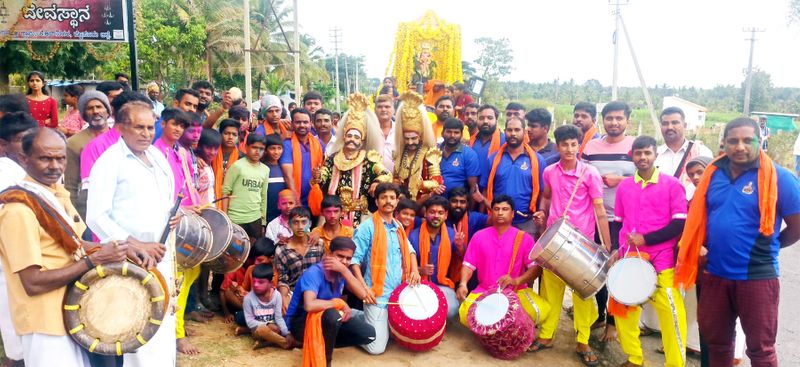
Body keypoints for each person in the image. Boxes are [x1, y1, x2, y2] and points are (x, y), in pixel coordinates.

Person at [0, 128, 130, 367]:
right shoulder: (19, 210)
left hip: (70, 313)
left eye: (60, 158)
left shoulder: (54, 194)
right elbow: (32, 282)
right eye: (45, 158)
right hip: (44, 322)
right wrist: (93, 261)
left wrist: (122, 248)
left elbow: (76, 243)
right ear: (23, 159)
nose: (55, 166)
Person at [675, 117, 800, 367]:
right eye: (733, 141)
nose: (740, 147)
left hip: (756, 276)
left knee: (761, 350)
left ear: (760, 141)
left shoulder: (780, 178)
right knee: (716, 344)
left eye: (747, 140)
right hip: (714, 275)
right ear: (724, 144)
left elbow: (796, 226)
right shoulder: (713, 174)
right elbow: (702, 219)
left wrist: (771, 245)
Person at [85, 101, 179, 367]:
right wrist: (134, 244)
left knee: (163, 320)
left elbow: (165, 200)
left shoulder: (158, 157)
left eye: (151, 127)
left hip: (162, 254)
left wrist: (173, 215)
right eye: (139, 127)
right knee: (135, 325)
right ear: (121, 127)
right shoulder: (109, 162)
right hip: (131, 259)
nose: (146, 133)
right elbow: (96, 216)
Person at [530, 124, 610, 366]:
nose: (569, 148)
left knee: (582, 294)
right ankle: (546, 336)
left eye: (574, 144)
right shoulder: (550, 171)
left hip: (582, 243)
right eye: (564, 144)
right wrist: (542, 216)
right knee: (550, 292)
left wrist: (605, 244)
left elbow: (599, 209)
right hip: (555, 241)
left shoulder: (590, 173)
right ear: (558, 145)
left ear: (579, 145)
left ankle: (583, 341)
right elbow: (546, 196)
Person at [612, 136, 688, 367]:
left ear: (656, 155)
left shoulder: (672, 185)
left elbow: (679, 224)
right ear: (632, 156)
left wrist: (646, 238)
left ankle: (675, 364)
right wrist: (616, 248)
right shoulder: (624, 186)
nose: (643, 157)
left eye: (647, 153)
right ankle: (634, 358)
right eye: (638, 153)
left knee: (671, 313)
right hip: (629, 258)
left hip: (661, 259)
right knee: (624, 309)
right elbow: (617, 221)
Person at [456, 195, 548, 338]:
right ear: (491, 212)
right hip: (485, 291)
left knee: (540, 310)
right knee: (464, 313)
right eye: (496, 209)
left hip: (515, 292)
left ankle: (497, 330)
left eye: (505, 209)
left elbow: (536, 269)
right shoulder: (479, 236)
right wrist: (462, 284)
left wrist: (517, 281)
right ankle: (499, 330)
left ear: (512, 214)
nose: (500, 213)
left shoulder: (523, 238)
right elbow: (468, 265)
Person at [581, 100, 636, 339]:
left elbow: (649, 179)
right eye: (610, 118)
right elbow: (580, 176)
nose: (614, 122)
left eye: (619, 118)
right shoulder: (591, 147)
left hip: (623, 220)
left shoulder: (636, 146)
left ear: (627, 121)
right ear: (602, 120)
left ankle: (614, 322)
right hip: (593, 218)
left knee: (618, 271)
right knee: (597, 270)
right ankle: (601, 314)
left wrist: (620, 180)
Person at [351, 183, 421, 355]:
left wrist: (415, 271)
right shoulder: (367, 227)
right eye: (383, 197)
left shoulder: (398, 226)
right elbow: (354, 260)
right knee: (376, 348)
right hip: (377, 295)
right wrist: (363, 288)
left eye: (392, 198)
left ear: (397, 202)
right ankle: (352, 317)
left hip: (399, 293)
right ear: (376, 201)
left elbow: (410, 250)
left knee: (406, 333)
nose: (388, 201)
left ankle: (367, 317)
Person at [286, 237, 376, 367]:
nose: (344, 261)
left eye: (348, 258)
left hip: (328, 321)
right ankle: (326, 360)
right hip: (301, 323)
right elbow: (309, 305)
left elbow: (362, 294)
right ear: (329, 254)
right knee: (333, 315)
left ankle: (316, 343)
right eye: (340, 256)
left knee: (368, 334)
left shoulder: (342, 271)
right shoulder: (315, 273)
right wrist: (339, 302)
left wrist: (344, 270)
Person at [311, 93, 392, 226]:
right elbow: (323, 176)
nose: (352, 140)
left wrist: (377, 182)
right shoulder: (333, 158)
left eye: (356, 137)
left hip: (361, 216)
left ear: (362, 140)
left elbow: (386, 174)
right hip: (335, 214)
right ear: (344, 137)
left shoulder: (368, 159)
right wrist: (318, 177)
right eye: (349, 136)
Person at [0, 112, 38, 366]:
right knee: (17, 333)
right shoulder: (5, 174)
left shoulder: (30, 168)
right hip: (12, 265)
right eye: (21, 139)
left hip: (35, 262)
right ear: (2, 145)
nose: (28, 144)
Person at [478, 116, 546, 237]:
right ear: (505, 132)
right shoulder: (493, 159)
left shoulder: (537, 160)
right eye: (509, 130)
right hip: (498, 221)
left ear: (524, 132)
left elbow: (543, 192)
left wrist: (541, 212)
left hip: (526, 222)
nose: (513, 133)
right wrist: (483, 219)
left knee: (524, 255)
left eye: (517, 130)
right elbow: (485, 191)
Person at [408, 195, 459, 318]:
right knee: (413, 309)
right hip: (418, 284)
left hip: (442, 285)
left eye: (440, 213)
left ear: (446, 215)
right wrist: (420, 270)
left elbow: (463, 260)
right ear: (425, 213)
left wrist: (461, 247)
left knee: (451, 309)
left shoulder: (452, 235)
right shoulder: (413, 235)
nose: (436, 216)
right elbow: (404, 264)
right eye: (432, 212)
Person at [65, 90, 111, 222]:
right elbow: (71, 185)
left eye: (99, 107)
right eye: (90, 108)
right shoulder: (74, 142)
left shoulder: (121, 139)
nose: (96, 111)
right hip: (88, 209)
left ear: (107, 111)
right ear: (84, 114)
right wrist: (73, 217)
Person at [393, 91, 444, 202]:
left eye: (413, 138)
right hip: (401, 203)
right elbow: (396, 177)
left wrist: (420, 184)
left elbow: (436, 182)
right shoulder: (401, 153)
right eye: (407, 138)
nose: (410, 142)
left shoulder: (430, 153)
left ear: (420, 136)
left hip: (422, 204)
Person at [655, 106, 714, 200]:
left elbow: (712, 183)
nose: (670, 127)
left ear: (685, 125)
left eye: (675, 122)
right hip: (661, 212)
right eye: (665, 123)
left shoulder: (701, 152)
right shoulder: (654, 155)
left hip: (694, 211)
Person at [221, 133, 270, 241]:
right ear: (246, 147)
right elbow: (225, 191)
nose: (257, 151)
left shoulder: (265, 170)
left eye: (261, 149)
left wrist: (263, 221)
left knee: (253, 251)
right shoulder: (237, 166)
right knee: (235, 253)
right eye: (254, 147)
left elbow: (263, 195)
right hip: (235, 218)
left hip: (255, 218)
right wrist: (226, 218)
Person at [276, 207, 325, 313]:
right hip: (294, 291)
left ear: (310, 223)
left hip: (317, 290)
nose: (300, 227)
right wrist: (283, 297)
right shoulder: (282, 250)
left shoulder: (319, 244)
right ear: (289, 225)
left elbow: (324, 270)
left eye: (304, 222)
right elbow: (283, 279)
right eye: (295, 222)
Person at [242, 264, 293, 349]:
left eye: (261, 282)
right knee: (262, 330)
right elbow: (250, 321)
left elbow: (279, 318)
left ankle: (266, 343)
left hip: (275, 328)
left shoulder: (277, 295)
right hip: (259, 329)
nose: (256, 285)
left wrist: (286, 333)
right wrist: (267, 324)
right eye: (254, 281)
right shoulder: (248, 298)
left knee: (281, 325)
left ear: (270, 283)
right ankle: (285, 343)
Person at [280, 108, 325, 207]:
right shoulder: (287, 144)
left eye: (305, 122)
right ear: (292, 123)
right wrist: (296, 201)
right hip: (296, 201)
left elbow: (324, 169)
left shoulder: (319, 144)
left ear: (311, 123)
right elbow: (288, 176)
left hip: (315, 198)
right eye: (298, 122)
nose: (302, 125)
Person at [444, 186, 488, 286]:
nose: (458, 205)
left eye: (462, 202)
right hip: (444, 268)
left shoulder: (474, 218)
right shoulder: (441, 217)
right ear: (448, 202)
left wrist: (483, 200)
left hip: (468, 269)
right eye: (454, 201)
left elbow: (497, 218)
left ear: (468, 204)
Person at [154, 108, 199, 206]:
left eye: (181, 126)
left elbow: (190, 183)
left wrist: (196, 203)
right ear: (163, 124)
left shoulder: (183, 153)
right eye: (174, 124)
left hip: (188, 209)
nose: (178, 129)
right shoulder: (155, 152)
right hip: (168, 211)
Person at [439, 117, 481, 197]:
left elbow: (473, 187)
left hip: (458, 203)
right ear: (442, 133)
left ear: (461, 134)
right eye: (449, 132)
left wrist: (469, 210)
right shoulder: (434, 151)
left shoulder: (469, 154)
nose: (452, 135)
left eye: (456, 132)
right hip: (435, 203)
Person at [470, 104, 505, 185]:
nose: (485, 121)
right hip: (472, 187)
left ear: (496, 120)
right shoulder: (472, 140)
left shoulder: (505, 141)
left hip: (494, 188)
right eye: (481, 118)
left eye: (490, 118)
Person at [212, 118, 241, 208]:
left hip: (233, 201)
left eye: (234, 134)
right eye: (226, 133)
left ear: (238, 137)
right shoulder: (211, 153)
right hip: (212, 198)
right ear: (220, 134)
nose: (230, 137)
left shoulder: (241, 157)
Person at [194, 128, 222, 205]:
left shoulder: (211, 164)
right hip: (198, 212)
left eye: (216, 148)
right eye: (208, 148)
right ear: (199, 146)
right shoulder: (196, 167)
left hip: (210, 211)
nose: (212, 152)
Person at [374, 94, 397, 172]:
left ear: (393, 110)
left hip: (396, 181)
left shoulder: (400, 130)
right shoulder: (369, 131)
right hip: (373, 180)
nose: (383, 109)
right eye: (380, 107)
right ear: (374, 110)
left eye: (387, 107)